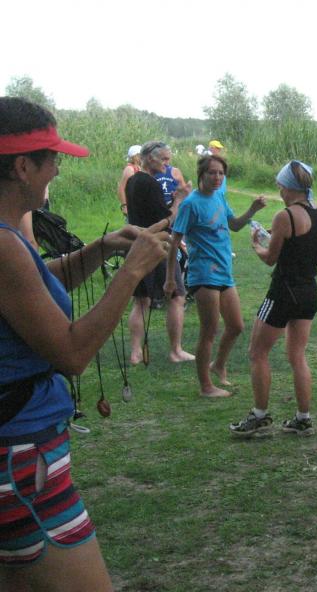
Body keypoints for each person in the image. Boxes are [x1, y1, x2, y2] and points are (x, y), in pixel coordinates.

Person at [0, 96, 171, 591]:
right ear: (22, 166)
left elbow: (32, 289)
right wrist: (132, 271)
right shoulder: (4, 244)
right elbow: (72, 354)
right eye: (52, 158)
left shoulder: (9, 239)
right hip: (23, 459)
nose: (58, 168)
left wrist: (100, 248)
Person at [229, 160, 317, 437]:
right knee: (297, 356)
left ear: (287, 187)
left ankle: (259, 416)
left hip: (283, 292)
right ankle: (303, 418)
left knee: (257, 352)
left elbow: (271, 259)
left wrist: (256, 245)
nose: (279, 192)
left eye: (280, 187)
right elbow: (315, 258)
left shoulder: (285, 216)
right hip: (308, 291)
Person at [165, 155, 267, 398]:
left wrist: (253, 209)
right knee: (209, 331)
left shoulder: (219, 196)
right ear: (202, 174)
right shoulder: (190, 204)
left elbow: (234, 225)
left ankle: (218, 365)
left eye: (221, 173)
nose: (217, 177)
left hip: (224, 271)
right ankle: (206, 386)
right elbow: (174, 242)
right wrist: (170, 278)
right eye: (212, 172)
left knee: (236, 326)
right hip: (203, 273)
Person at [125, 141, 194, 365]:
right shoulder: (151, 184)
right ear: (149, 158)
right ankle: (176, 350)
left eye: (168, 158)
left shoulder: (133, 181)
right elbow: (167, 219)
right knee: (177, 296)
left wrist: (172, 201)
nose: (167, 163)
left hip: (137, 246)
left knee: (141, 301)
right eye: (163, 159)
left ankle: (135, 353)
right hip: (157, 246)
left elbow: (147, 212)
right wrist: (179, 199)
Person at [117, 144, 141, 219]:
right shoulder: (130, 169)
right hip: (132, 205)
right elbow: (121, 188)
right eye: (140, 155)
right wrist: (124, 206)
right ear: (135, 156)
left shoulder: (140, 167)